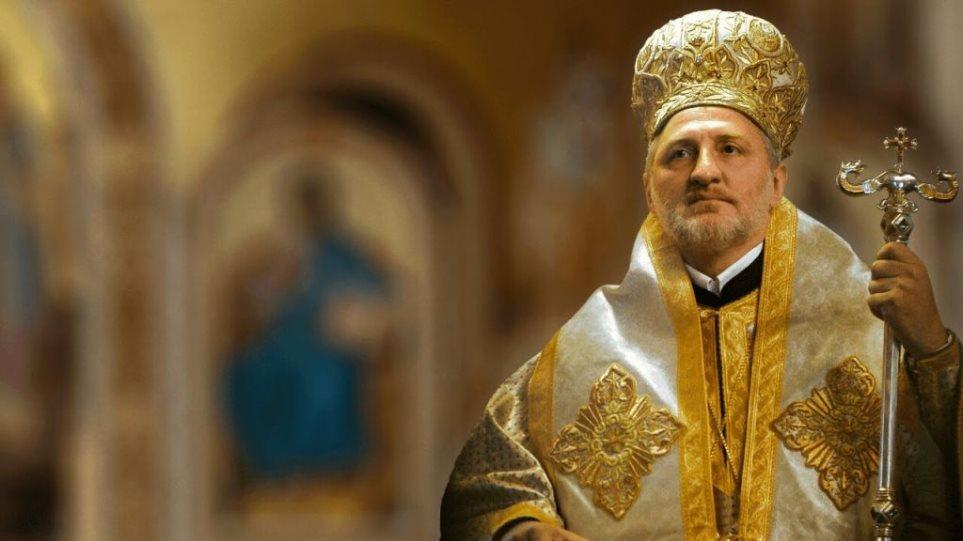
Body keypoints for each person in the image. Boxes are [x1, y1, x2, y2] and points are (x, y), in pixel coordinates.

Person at [440, 9, 960, 540]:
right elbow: (486, 489)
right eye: (680, 154)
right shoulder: (585, 352)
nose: (704, 171)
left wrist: (936, 356)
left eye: (730, 149)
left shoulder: (868, 334)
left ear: (777, 183)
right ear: (649, 190)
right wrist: (526, 530)